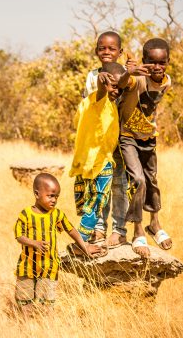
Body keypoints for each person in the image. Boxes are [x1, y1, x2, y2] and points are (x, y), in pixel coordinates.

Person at [69, 62, 146, 257]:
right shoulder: (97, 100)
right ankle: (81, 243)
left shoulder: (111, 104)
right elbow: (102, 91)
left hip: (96, 163)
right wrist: (103, 84)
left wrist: (125, 77)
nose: (116, 91)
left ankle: (82, 240)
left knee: (93, 204)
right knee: (95, 204)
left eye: (119, 88)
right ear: (102, 82)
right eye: (113, 86)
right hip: (96, 164)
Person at [117, 38, 173, 258]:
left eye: (162, 62)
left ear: (167, 62)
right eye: (152, 62)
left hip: (149, 137)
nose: (157, 67)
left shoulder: (166, 81)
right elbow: (122, 84)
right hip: (128, 136)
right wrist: (128, 72)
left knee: (152, 180)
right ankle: (138, 230)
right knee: (138, 180)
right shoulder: (137, 79)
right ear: (144, 61)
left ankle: (155, 224)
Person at [14, 173, 91, 317]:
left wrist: (84, 246)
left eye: (57, 197)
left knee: (47, 303)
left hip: (50, 267)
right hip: (27, 266)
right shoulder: (25, 214)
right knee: (25, 302)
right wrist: (34, 243)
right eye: (50, 196)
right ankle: (26, 329)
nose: (54, 200)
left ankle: (47, 327)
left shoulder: (56, 215)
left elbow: (71, 230)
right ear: (37, 194)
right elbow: (19, 236)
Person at [83, 31, 134, 248]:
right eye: (102, 48)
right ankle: (99, 229)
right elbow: (89, 103)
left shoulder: (128, 75)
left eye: (112, 48)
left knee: (119, 185)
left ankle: (119, 230)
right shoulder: (92, 76)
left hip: (121, 141)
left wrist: (129, 74)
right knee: (99, 185)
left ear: (120, 52)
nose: (106, 52)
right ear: (96, 51)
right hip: (98, 141)